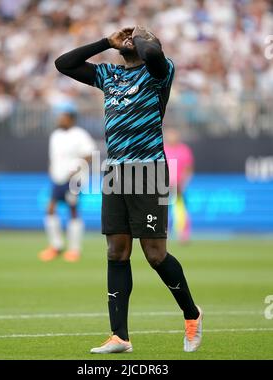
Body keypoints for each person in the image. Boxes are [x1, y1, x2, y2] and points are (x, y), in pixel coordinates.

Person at [55, 25, 202, 353]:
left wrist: (143, 37)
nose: (130, 36)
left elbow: (151, 53)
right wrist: (105, 42)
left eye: (139, 35)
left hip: (149, 172)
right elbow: (63, 64)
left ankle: (192, 314)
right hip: (114, 173)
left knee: (155, 255)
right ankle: (120, 336)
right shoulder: (110, 75)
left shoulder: (159, 72)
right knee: (116, 252)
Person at [38, 106, 96, 262]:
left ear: (71, 119)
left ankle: (74, 249)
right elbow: (54, 157)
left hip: (73, 180)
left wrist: (77, 166)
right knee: (50, 209)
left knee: (73, 210)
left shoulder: (80, 135)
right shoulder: (55, 135)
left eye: (63, 117)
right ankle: (56, 246)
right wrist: (52, 170)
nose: (60, 119)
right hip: (58, 178)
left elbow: (90, 154)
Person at [164, 128, 194, 243]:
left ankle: (183, 235)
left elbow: (188, 169)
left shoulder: (184, 150)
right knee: (163, 211)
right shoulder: (163, 149)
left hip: (179, 186)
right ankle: (162, 233)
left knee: (181, 210)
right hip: (164, 185)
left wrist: (183, 183)